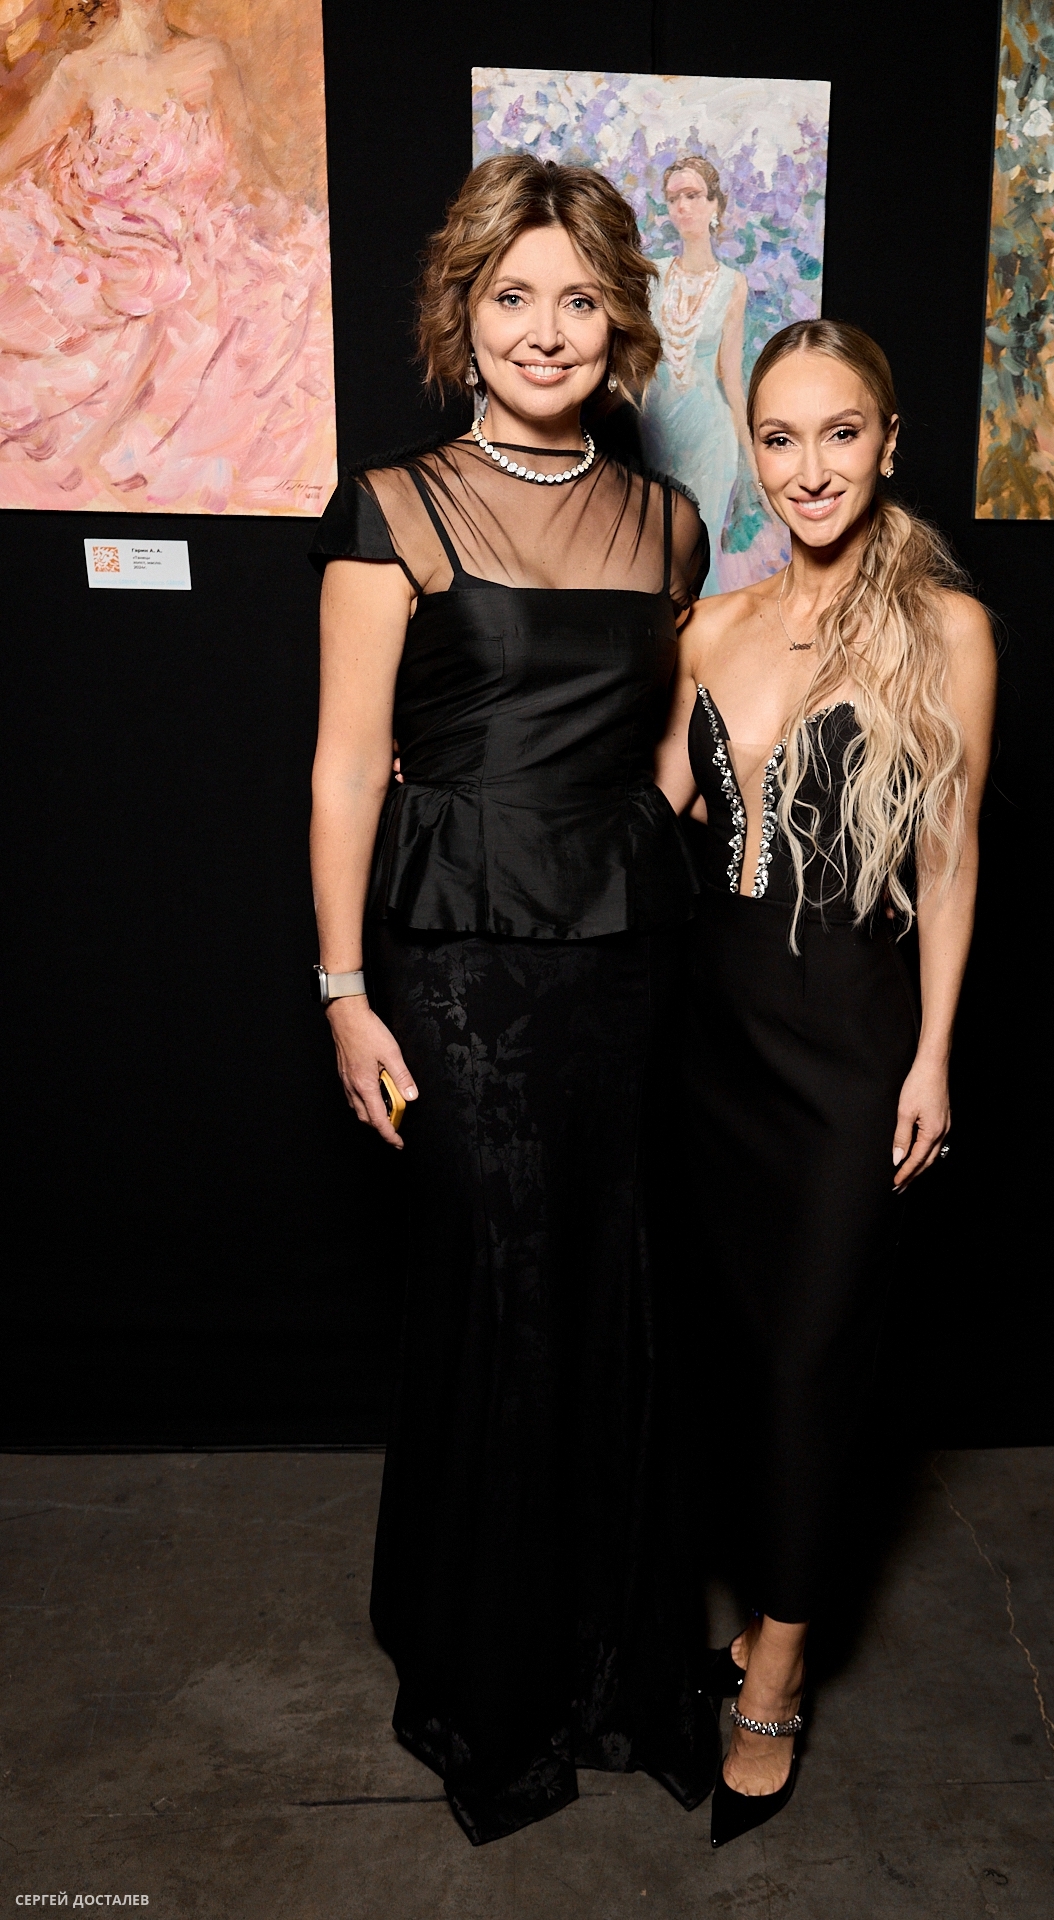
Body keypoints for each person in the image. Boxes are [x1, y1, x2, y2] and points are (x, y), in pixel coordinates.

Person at [308, 154, 719, 1846]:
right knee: (497, 1290)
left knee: (615, 1286)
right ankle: (491, 1669)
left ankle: (612, 1660)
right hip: (457, 964)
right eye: (513, 296)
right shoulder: (393, 508)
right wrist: (345, 991)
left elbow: (674, 742)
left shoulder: (671, 523)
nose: (547, 330)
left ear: (619, 325)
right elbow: (346, 765)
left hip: (627, 957)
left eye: (579, 299)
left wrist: (652, 824)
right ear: (462, 313)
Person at [656, 319, 996, 1847]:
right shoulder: (708, 627)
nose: (810, 468)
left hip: (851, 1044)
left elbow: (952, 852)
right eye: (780, 438)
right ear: (752, 451)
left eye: (840, 433)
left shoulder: (944, 627)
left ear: (890, 442)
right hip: (703, 1042)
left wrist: (933, 1054)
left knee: (811, 1361)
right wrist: (457, 773)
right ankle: (750, 1613)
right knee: (727, 1357)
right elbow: (640, 817)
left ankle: (780, 1671)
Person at [0, 0, 333, 513]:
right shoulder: (81, 70)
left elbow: (250, 176)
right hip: (100, 263)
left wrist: (299, 231)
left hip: (193, 258)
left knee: (286, 300)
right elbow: (11, 157)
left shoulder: (210, 60)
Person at [639, 155, 754, 592]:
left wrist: (752, 456)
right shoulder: (652, 275)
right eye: (673, 199)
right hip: (657, 433)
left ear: (714, 204)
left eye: (692, 195)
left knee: (698, 560)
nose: (682, 206)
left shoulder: (733, 284)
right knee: (651, 555)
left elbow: (730, 376)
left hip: (710, 437)